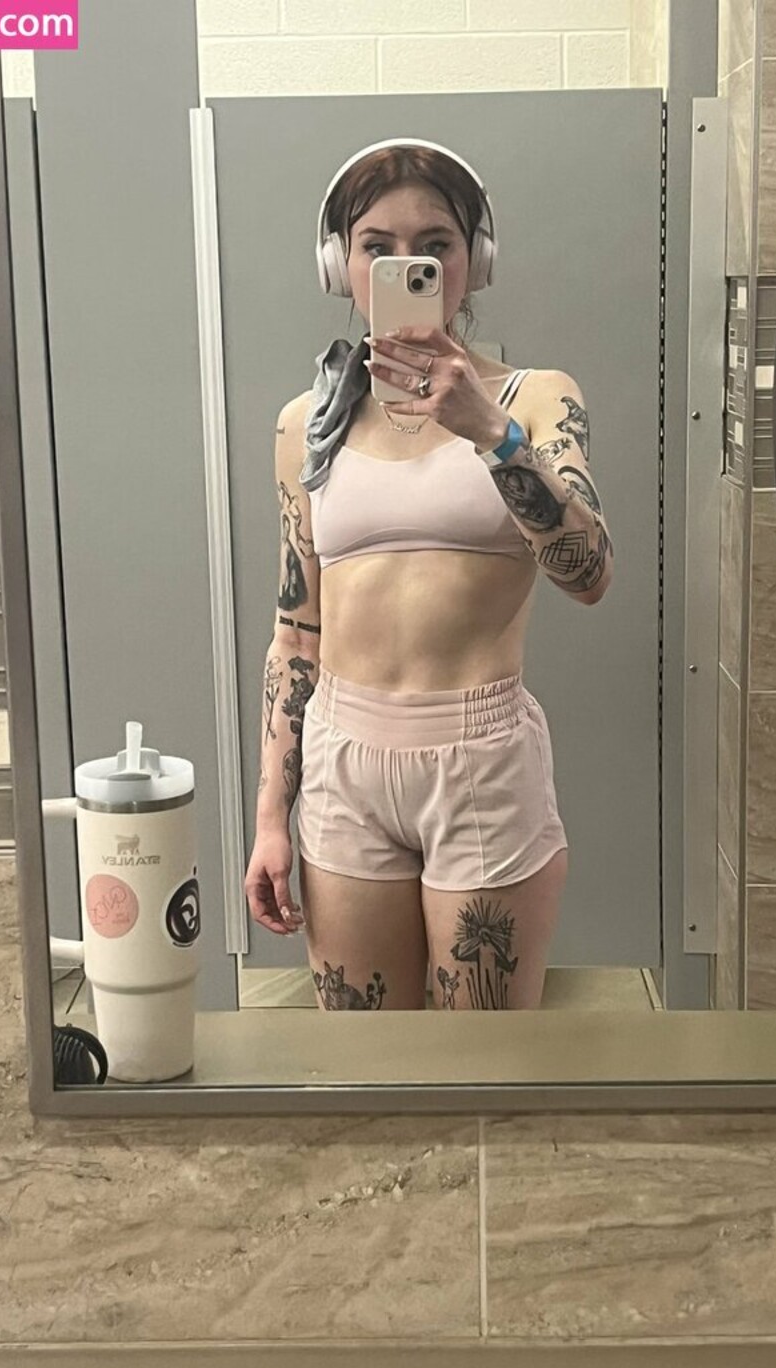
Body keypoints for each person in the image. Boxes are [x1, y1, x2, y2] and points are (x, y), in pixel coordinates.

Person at [244, 138, 613, 1012]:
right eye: (378, 246)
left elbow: (591, 572)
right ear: (340, 265)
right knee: (366, 1059)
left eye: (435, 244)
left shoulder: (534, 399)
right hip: (344, 758)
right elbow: (296, 634)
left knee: (481, 1062)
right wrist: (269, 818)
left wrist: (491, 434)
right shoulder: (307, 424)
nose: (407, 264)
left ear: (474, 261)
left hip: (481, 758)